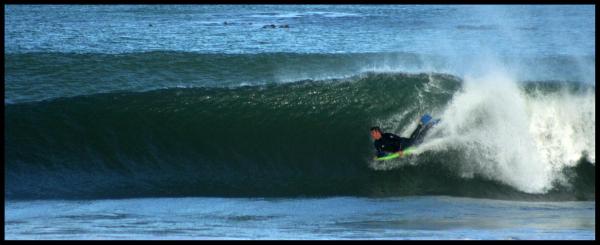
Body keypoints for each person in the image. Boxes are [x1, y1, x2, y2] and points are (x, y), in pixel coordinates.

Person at [370, 114, 435, 158]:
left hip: (403, 143)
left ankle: (422, 125)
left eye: (373, 133)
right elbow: (380, 151)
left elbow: (399, 139)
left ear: (377, 132)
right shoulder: (376, 143)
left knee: (414, 141)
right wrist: (377, 156)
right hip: (398, 150)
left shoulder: (387, 135)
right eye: (371, 133)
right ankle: (427, 127)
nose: (371, 135)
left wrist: (400, 150)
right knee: (418, 141)